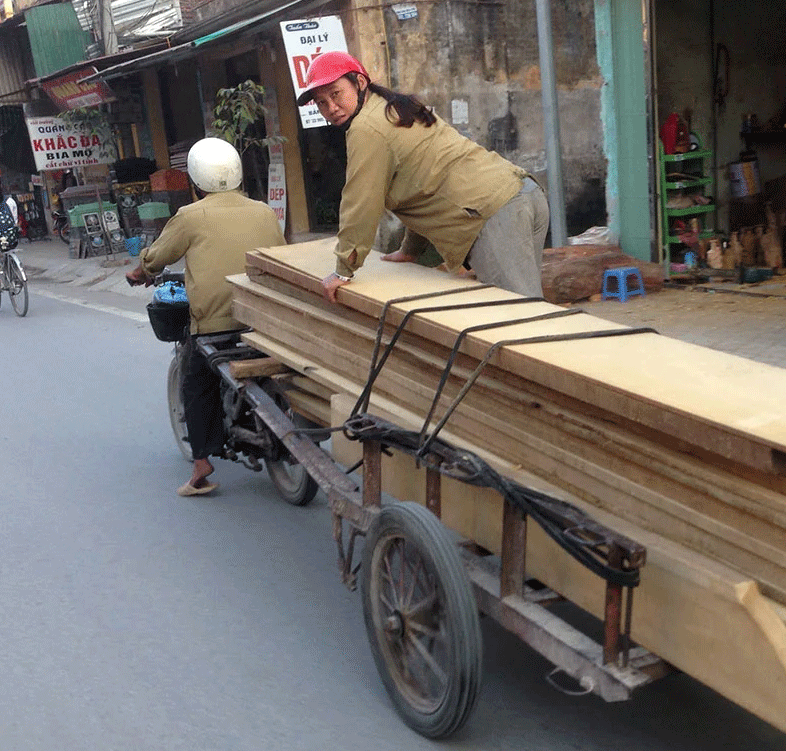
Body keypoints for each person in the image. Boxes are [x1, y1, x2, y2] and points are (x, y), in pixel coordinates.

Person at [295, 51, 549, 303]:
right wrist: (410, 250)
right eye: (321, 102)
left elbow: (361, 203)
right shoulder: (395, 108)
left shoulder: (366, 129)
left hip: (494, 213)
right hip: (522, 193)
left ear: (360, 82)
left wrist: (343, 270)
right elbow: (425, 185)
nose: (331, 107)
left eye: (336, 94)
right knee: (524, 311)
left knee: (519, 317)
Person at [126, 137, 286, 498]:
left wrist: (140, 271)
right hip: (265, 320)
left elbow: (157, 257)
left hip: (217, 323)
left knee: (195, 380)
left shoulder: (189, 216)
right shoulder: (263, 211)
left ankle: (201, 466)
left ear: (196, 183)